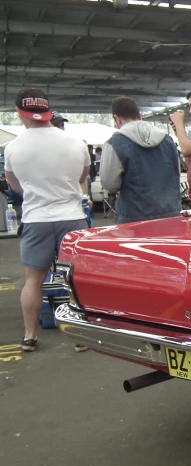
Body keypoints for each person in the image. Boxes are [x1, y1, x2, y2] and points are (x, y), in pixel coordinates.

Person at [3, 89, 89, 352]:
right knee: (74, 279)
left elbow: (15, 187)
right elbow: (82, 177)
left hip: (36, 218)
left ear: (20, 114)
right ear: (48, 112)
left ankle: (30, 336)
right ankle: (80, 336)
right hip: (72, 217)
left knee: (33, 280)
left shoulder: (13, 148)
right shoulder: (76, 143)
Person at [100, 96, 182, 224]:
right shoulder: (167, 140)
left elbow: (109, 185)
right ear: (140, 115)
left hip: (133, 218)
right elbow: (176, 174)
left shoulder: (114, 144)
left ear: (116, 118)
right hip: (171, 215)